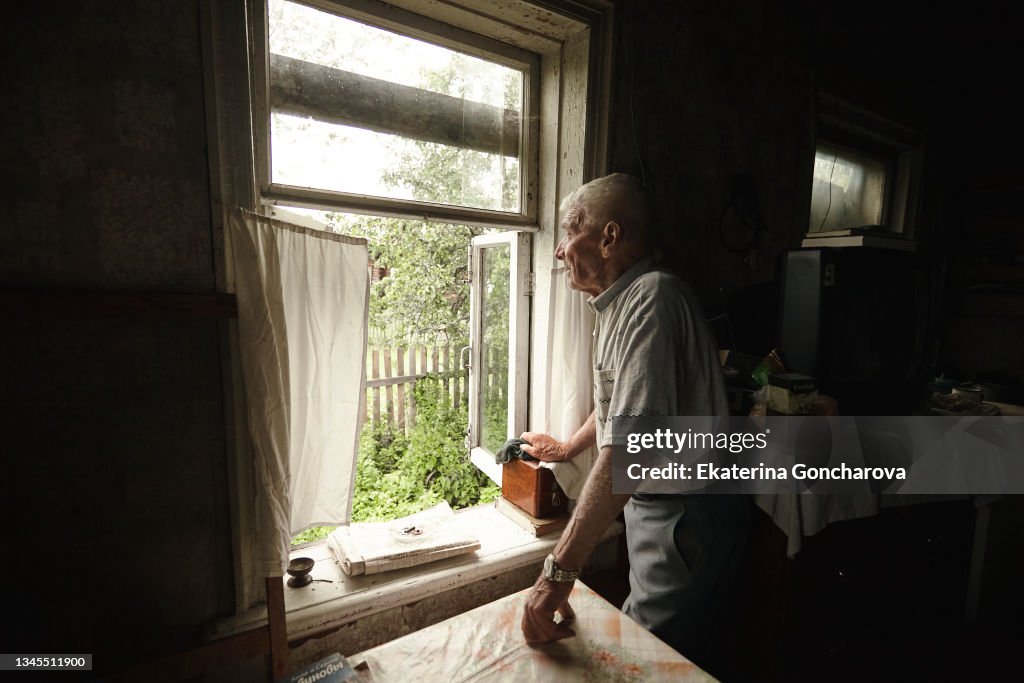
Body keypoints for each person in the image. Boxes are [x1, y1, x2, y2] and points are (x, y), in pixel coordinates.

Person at [518, 173, 751, 669]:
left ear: (609, 238)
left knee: (652, 661)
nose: (559, 252)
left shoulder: (653, 298)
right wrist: (566, 449)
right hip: (659, 512)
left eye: (567, 232)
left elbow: (631, 448)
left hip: (687, 517)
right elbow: (616, 406)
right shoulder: (620, 304)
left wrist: (555, 576)